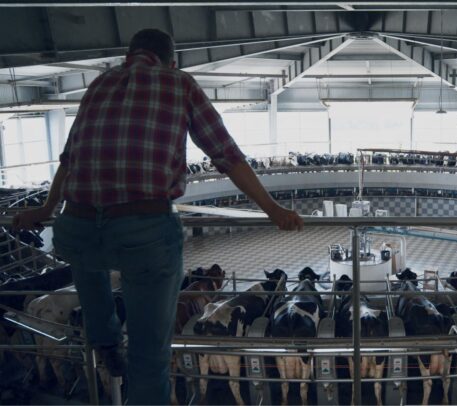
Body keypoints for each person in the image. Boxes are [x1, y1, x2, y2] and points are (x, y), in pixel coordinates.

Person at [12, 28, 303, 404]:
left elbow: (68, 160)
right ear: (172, 61)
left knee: (88, 260)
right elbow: (227, 156)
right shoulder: (179, 83)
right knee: (150, 359)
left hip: (76, 225)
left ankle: (103, 338)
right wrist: (274, 210)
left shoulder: (99, 83)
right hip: (143, 231)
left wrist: (46, 209)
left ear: (128, 55)